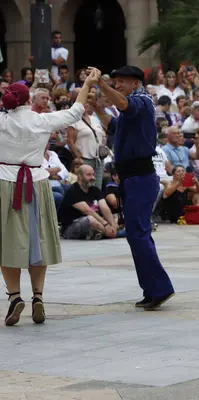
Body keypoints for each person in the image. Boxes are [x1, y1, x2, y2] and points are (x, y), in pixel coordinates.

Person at [0, 71, 97, 326]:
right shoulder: (41, 120)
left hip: (5, 181)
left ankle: (14, 296)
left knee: (6, 241)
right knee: (37, 241)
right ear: (27, 100)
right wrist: (86, 84)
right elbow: (76, 111)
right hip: (37, 182)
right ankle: (38, 296)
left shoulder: (1, 121)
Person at [90, 65, 174, 311]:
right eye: (115, 81)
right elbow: (113, 125)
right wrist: (97, 107)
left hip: (140, 177)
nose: (117, 85)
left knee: (138, 234)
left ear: (135, 83)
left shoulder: (142, 100)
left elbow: (124, 106)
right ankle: (151, 289)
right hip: (131, 178)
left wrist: (101, 84)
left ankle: (160, 289)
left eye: (121, 82)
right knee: (137, 235)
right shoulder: (130, 107)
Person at [59, 165, 119, 240]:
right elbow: (88, 211)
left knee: (113, 217)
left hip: (96, 222)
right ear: (80, 176)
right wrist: (106, 225)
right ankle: (108, 233)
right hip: (70, 228)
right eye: (89, 175)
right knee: (90, 219)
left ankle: (106, 232)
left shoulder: (95, 189)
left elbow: (104, 207)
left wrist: (113, 225)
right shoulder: (73, 191)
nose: (92, 178)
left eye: (93, 174)